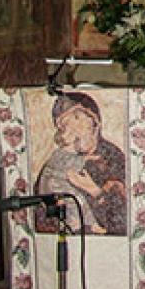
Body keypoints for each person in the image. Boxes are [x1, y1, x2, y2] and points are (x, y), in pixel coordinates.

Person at [33, 92, 127, 235]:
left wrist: (95, 191)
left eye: (77, 118)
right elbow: (40, 217)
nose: (73, 128)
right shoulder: (57, 164)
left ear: (95, 122)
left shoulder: (113, 157)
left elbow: (123, 222)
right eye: (64, 125)